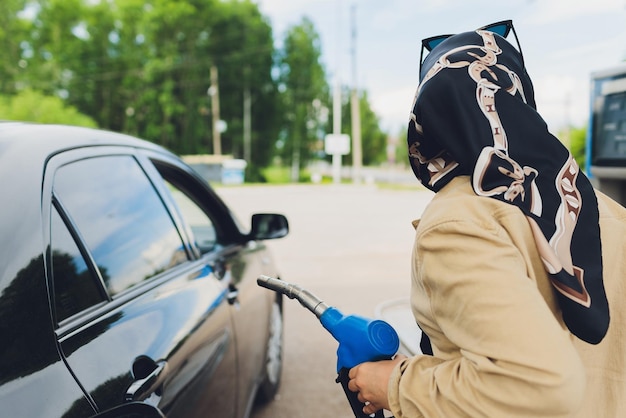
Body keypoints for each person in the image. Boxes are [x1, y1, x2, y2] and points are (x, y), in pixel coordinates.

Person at [347, 20, 626, 418]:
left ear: (427, 119)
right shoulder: (605, 213)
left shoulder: (456, 221)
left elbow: (537, 384)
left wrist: (393, 384)